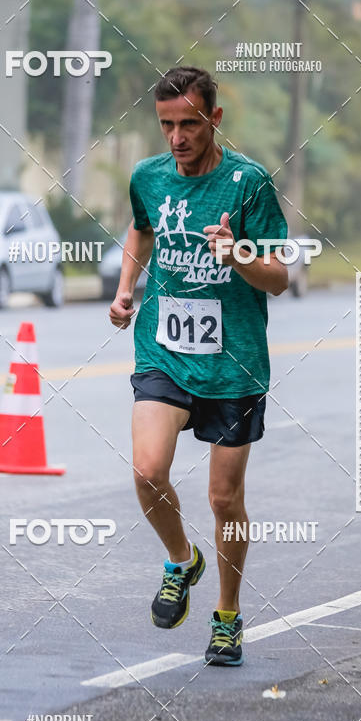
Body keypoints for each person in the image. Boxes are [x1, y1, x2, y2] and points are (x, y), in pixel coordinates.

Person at [109, 66, 288, 667]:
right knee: (146, 468)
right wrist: (126, 287)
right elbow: (141, 230)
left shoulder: (250, 184)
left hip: (234, 364)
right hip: (164, 349)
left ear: (214, 119)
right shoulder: (148, 178)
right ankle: (182, 563)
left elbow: (280, 278)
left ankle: (228, 616)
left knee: (223, 498)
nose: (177, 137)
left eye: (189, 123)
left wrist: (236, 253)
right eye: (167, 125)